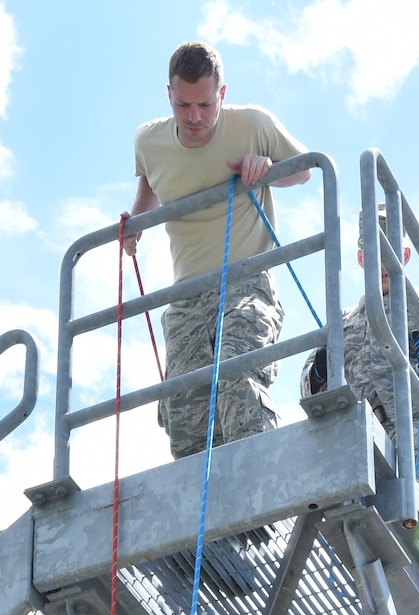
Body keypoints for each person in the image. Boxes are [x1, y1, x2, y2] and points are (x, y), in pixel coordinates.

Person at [127, 40, 310, 460]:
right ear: (168, 95)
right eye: (184, 104)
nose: (194, 117)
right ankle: (206, 520)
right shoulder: (147, 140)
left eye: (206, 106)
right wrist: (134, 223)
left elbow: (306, 170)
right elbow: (150, 184)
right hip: (186, 297)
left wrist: (267, 170)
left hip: (247, 279)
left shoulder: (252, 125)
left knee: (235, 371)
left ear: (222, 95)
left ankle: (263, 499)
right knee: (186, 414)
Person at [304, 206, 419, 520]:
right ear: (361, 259)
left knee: (418, 512)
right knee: (355, 520)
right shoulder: (343, 320)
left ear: (404, 254)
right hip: (356, 432)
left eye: (389, 252)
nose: (382, 263)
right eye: (373, 253)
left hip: (414, 422)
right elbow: (309, 387)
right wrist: (320, 370)